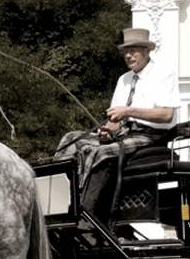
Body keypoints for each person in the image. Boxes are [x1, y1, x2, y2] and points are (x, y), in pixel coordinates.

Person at [56, 27, 181, 224]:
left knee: (102, 153)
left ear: (147, 51)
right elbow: (114, 121)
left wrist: (129, 111)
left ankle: (87, 218)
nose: (128, 56)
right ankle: (59, 207)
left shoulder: (163, 74)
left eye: (133, 51)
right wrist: (106, 131)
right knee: (70, 140)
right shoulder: (123, 79)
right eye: (125, 52)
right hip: (123, 134)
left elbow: (166, 115)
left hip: (151, 136)